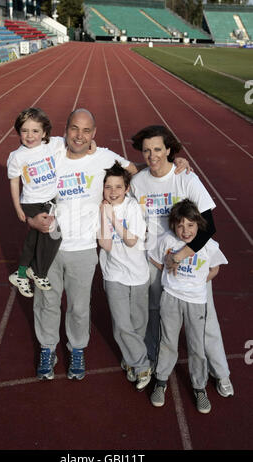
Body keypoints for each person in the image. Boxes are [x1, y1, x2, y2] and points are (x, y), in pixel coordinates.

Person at [28, 111, 190, 382]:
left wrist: (174, 163)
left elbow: (137, 170)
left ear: (94, 134)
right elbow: (28, 186)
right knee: (46, 302)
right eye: (75, 129)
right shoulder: (50, 154)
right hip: (50, 245)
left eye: (87, 130)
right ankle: (47, 348)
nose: (80, 136)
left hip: (83, 248)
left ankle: (76, 348)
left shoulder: (103, 157)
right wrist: (32, 219)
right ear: (64, 130)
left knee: (79, 307)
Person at [130, 125, 234, 398]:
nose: (152, 155)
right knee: (154, 314)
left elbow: (208, 226)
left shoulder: (185, 177)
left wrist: (179, 257)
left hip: (188, 263)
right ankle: (152, 361)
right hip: (155, 261)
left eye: (158, 149)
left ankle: (220, 372)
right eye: (147, 150)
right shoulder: (138, 182)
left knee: (206, 321)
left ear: (169, 150)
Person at [149, 199, 228, 414]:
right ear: (173, 225)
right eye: (180, 225)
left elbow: (215, 269)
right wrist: (166, 269)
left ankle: (199, 386)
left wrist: (199, 281)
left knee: (196, 346)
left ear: (198, 225)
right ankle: (161, 381)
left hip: (196, 302)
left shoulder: (208, 246)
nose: (185, 231)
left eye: (190, 225)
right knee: (168, 342)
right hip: (171, 298)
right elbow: (156, 259)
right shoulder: (167, 240)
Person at [98, 162, 151, 391]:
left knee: (138, 323)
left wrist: (113, 219)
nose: (113, 191)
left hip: (138, 274)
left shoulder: (133, 208)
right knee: (121, 324)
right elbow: (106, 244)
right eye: (108, 186)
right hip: (114, 274)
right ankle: (142, 366)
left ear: (127, 188)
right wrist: (104, 215)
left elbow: (131, 240)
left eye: (118, 186)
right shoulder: (101, 209)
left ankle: (130, 359)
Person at [7, 108, 63, 298]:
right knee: (53, 234)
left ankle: (22, 274)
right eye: (24, 131)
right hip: (32, 202)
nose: (30, 136)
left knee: (34, 240)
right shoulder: (17, 157)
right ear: (18, 132)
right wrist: (17, 208)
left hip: (49, 201)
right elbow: (14, 182)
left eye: (35, 131)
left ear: (45, 133)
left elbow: (74, 142)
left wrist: (93, 143)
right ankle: (38, 272)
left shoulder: (53, 144)